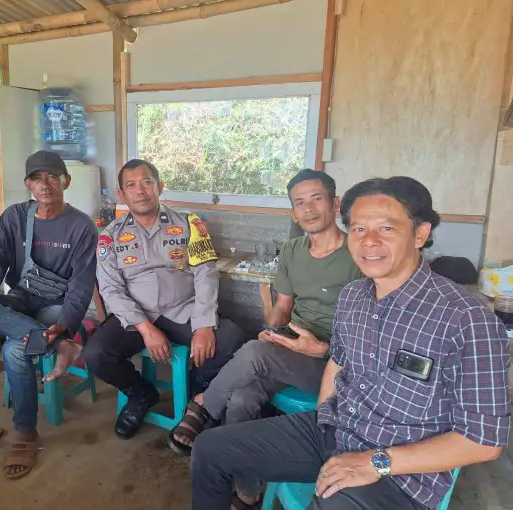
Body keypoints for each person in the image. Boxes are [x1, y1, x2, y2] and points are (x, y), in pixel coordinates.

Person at [190, 176, 510, 510]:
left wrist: (375, 462)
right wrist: (324, 417)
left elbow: (484, 441)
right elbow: (338, 362)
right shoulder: (354, 296)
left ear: (420, 233)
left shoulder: (467, 319)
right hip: (337, 430)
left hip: (398, 471)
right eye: (358, 229)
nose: (369, 241)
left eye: (386, 228)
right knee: (209, 449)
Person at [168, 169, 363, 509]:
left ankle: (202, 404)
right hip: (291, 350)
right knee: (241, 399)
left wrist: (323, 348)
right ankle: (249, 492)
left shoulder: (359, 255)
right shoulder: (292, 250)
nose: (309, 209)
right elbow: (283, 308)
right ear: (293, 213)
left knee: (256, 353)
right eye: (299, 203)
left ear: (335, 203)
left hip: (336, 364)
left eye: (317, 199)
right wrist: (273, 330)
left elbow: (371, 335)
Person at [0, 150, 98, 480]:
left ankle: (25, 431)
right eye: (37, 178)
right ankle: (59, 345)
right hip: (21, 297)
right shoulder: (15, 217)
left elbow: (81, 286)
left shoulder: (82, 226)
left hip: (57, 306)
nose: (45, 184)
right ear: (28, 184)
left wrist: (65, 326)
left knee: (14, 350)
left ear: (66, 181)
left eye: (52, 177)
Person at [83, 159, 246, 440]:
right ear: (121, 194)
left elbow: (206, 274)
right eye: (131, 185)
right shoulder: (110, 236)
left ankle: (198, 396)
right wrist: (145, 328)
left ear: (160, 187)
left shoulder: (189, 225)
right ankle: (140, 393)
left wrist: (204, 325)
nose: (140, 191)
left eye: (147, 182)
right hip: (136, 315)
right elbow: (110, 289)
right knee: (95, 354)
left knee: (230, 338)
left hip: (183, 309)